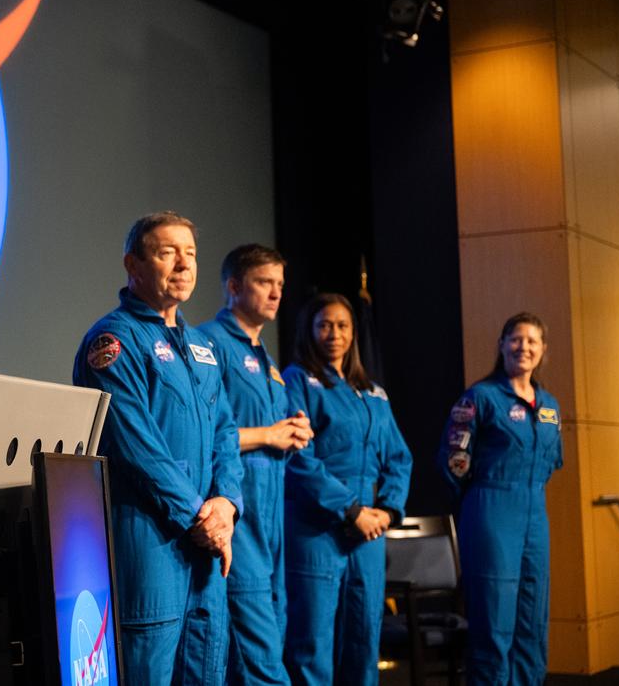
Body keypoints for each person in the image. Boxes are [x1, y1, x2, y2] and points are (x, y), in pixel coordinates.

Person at [73, 211, 243, 686]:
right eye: (168, 253)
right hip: (151, 542)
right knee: (149, 669)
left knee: (206, 668)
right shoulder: (113, 342)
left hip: (207, 546)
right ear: (134, 264)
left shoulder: (203, 347)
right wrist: (199, 517)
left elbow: (226, 432)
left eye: (190, 254)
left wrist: (226, 504)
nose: (183, 265)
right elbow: (137, 447)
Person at [281, 293, 411, 686]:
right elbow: (299, 457)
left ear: (354, 333)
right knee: (313, 642)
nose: (333, 333)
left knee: (363, 637)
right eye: (324, 324)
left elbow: (399, 458)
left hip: (369, 529)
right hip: (318, 527)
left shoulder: (372, 392)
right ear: (310, 329)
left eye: (342, 326)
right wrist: (351, 509)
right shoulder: (297, 380)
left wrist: (386, 511)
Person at [198, 244, 310, 685]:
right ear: (233, 286)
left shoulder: (266, 358)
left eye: (280, 284)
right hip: (237, 511)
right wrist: (268, 434)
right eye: (265, 282)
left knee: (271, 635)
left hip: (273, 514)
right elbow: (204, 435)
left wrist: (292, 433)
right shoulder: (209, 344)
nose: (276, 292)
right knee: (261, 658)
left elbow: (269, 429)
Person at [438, 313, 561, 686]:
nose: (524, 347)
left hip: (534, 515)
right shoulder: (480, 397)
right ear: (501, 345)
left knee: (531, 620)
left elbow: (553, 461)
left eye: (532, 341)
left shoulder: (549, 405)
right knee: (494, 622)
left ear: (542, 351)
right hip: (492, 511)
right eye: (516, 339)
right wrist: (480, 501)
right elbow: (453, 462)